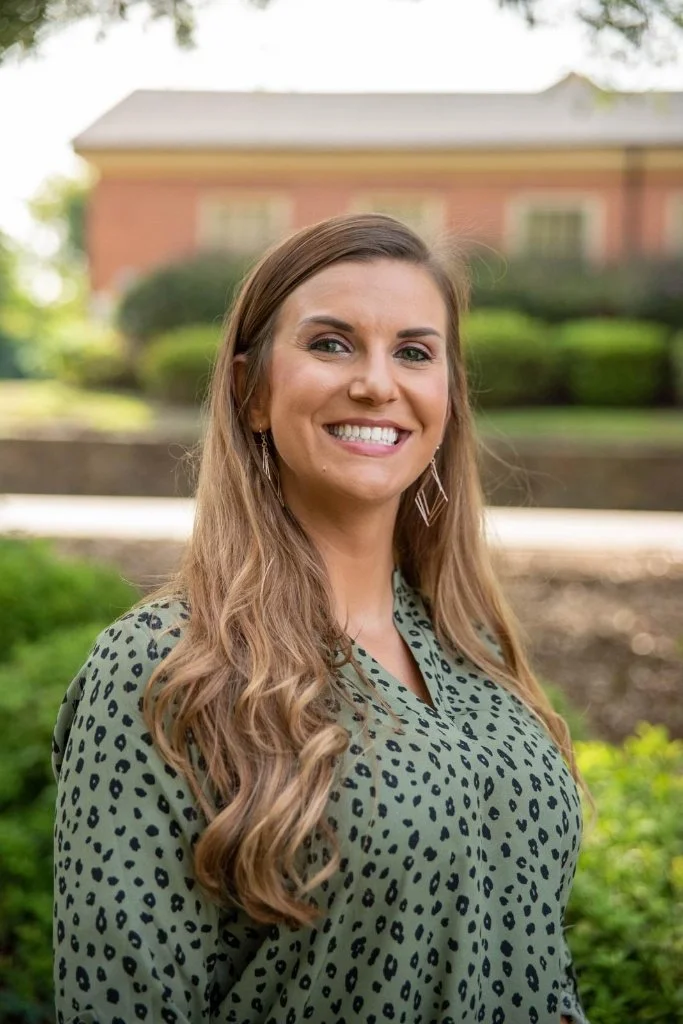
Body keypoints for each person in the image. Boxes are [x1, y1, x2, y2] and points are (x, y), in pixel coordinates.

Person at [53, 213, 592, 1024]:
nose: (378, 383)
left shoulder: (471, 650)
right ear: (251, 391)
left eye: (414, 352)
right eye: (331, 344)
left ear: (445, 397)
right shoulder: (164, 670)